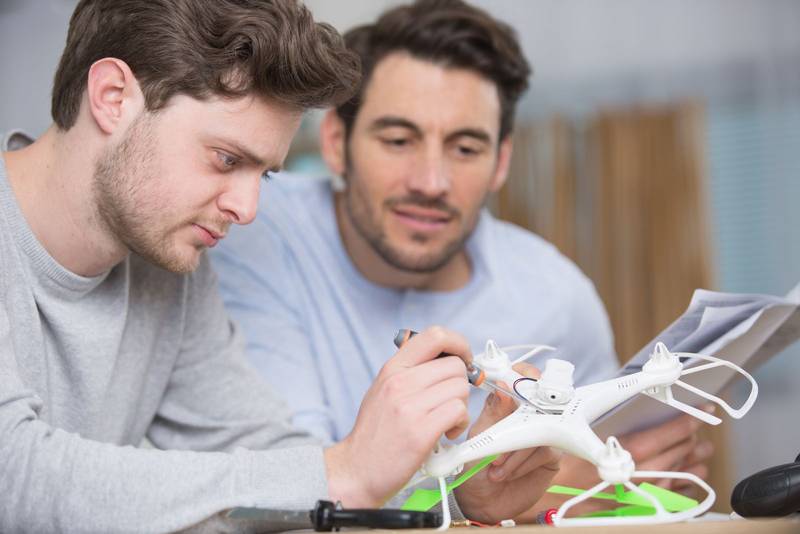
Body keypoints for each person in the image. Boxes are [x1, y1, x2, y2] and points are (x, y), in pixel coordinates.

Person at [0, 1, 559, 531]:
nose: (247, 209)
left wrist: (453, 492)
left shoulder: (167, 271)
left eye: (263, 174)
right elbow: (13, 473)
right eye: (226, 159)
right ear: (113, 97)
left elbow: (274, 461)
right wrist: (343, 474)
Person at [211, 0, 714, 511]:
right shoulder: (250, 229)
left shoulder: (558, 295)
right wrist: (517, 496)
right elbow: (286, 489)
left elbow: (606, 483)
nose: (431, 182)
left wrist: (631, 482)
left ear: (501, 162)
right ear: (336, 142)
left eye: (466, 148)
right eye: (399, 140)